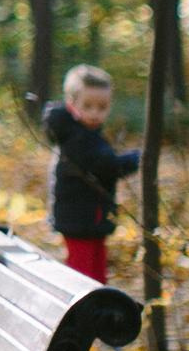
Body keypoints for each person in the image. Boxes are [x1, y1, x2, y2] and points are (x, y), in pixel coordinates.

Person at [42, 63, 140, 283]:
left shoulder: (87, 133)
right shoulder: (76, 137)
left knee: (97, 270)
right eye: (88, 106)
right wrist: (135, 159)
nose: (95, 113)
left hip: (90, 217)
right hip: (79, 219)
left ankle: (97, 300)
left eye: (102, 107)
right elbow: (105, 166)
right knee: (82, 274)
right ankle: (84, 305)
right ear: (72, 104)